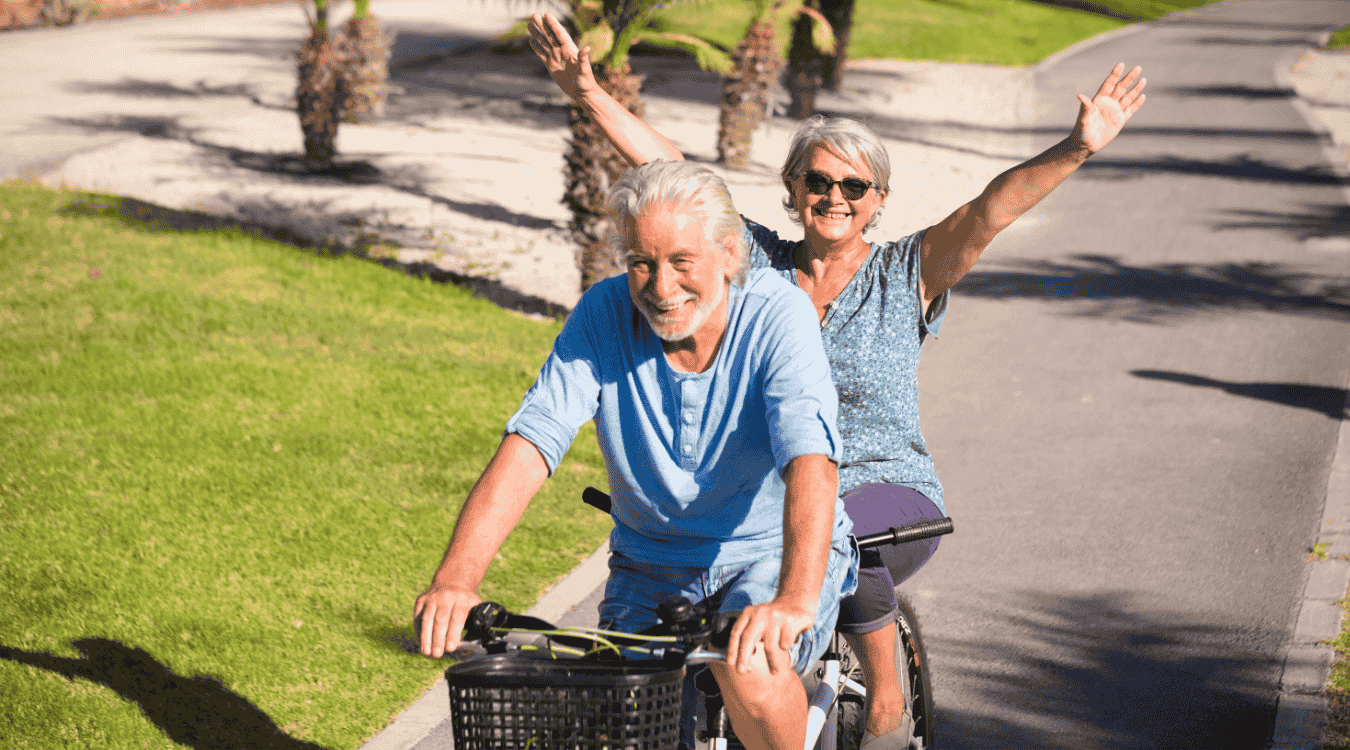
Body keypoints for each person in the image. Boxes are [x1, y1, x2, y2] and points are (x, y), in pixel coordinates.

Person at [527, 11, 1147, 749]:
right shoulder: (749, 263)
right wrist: (588, 93)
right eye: (817, 181)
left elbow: (988, 212)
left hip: (882, 482)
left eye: (855, 185)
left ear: (878, 199)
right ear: (793, 189)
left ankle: (887, 699)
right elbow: (677, 173)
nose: (835, 197)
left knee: (840, 537)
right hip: (766, 491)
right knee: (687, 632)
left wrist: (1077, 146)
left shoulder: (902, 274)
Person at [414, 159, 859, 750]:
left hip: (770, 552)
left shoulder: (778, 314)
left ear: (729, 254)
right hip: (651, 567)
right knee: (619, 720)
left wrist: (793, 602)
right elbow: (533, 441)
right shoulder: (603, 315)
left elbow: (810, 459)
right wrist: (455, 581)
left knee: (749, 665)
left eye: (681, 262)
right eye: (641, 264)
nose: (660, 286)